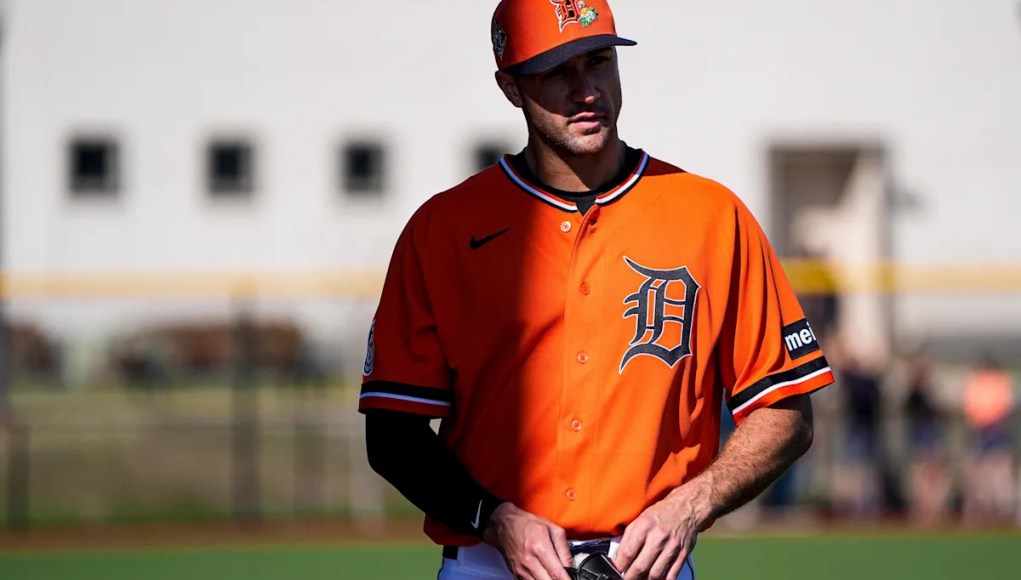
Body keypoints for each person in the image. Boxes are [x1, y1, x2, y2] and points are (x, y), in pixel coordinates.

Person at [359, 1, 835, 578]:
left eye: (599, 61)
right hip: (489, 563)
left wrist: (691, 505)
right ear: (510, 87)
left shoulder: (712, 216)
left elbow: (785, 409)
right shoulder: (444, 229)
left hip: (648, 566)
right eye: (557, 70)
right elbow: (392, 431)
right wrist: (494, 518)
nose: (586, 89)